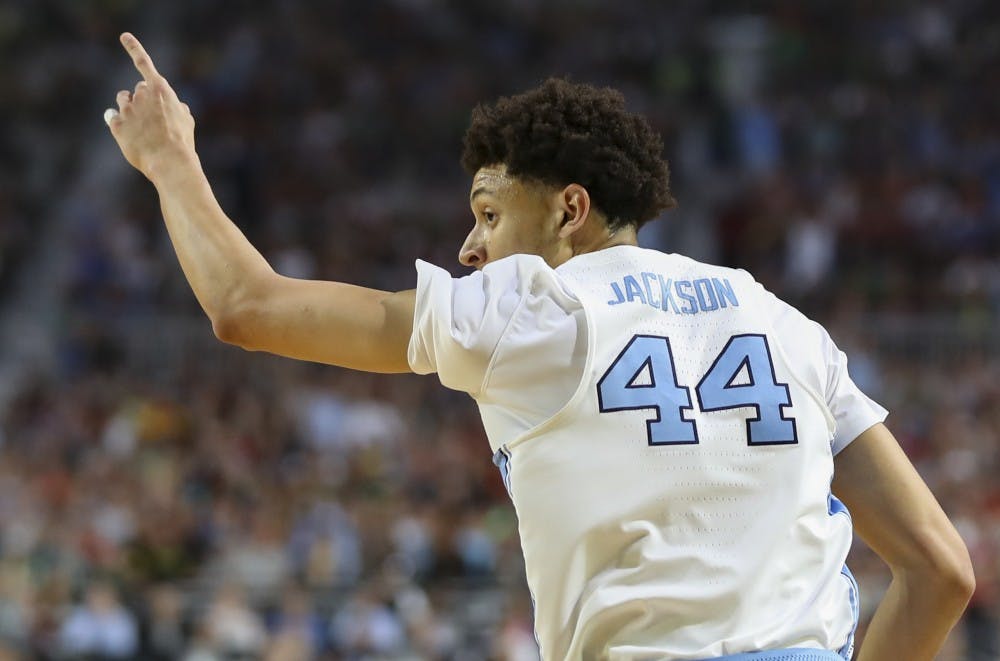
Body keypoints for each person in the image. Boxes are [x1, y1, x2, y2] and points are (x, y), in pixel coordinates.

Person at [105, 32, 974, 660]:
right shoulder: (788, 324)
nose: (469, 248)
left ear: (568, 210)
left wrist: (171, 162)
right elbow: (940, 569)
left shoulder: (536, 304)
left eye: (488, 212)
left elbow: (248, 306)